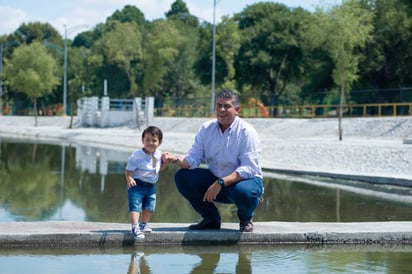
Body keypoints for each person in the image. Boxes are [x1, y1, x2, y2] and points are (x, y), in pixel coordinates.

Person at [163, 89, 264, 232]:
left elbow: (249, 168)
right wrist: (174, 159)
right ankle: (211, 219)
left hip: (243, 181)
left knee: (244, 192)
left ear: (237, 109)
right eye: (218, 105)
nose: (221, 110)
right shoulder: (206, 128)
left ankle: (246, 218)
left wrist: (221, 182)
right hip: (217, 180)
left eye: (227, 106)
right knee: (182, 177)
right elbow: (193, 159)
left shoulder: (247, 132)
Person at [125, 126, 167, 240]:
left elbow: (159, 169)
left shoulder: (158, 154)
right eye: (147, 140)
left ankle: (143, 224)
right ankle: (135, 226)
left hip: (151, 185)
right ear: (142, 140)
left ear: (160, 142)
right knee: (135, 205)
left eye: (154, 140)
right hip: (137, 184)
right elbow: (129, 169)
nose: (150, 143)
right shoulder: (137, 155)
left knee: (150, 205)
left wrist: (165, 163)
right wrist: (129, 178)